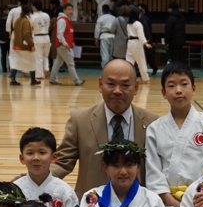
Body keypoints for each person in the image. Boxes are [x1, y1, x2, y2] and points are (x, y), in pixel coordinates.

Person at [51, 59, 159, 198]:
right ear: (100, 84)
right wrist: (34, 179)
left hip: (141, 205)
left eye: (125, 85)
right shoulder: (80, 120)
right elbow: (62, 163)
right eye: (111, 84)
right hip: (92, 206)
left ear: (136, 87)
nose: (117, 91)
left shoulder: (152, 122)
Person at [145, 62, 203, 207]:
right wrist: (171, 202)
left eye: (184, 84)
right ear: (163, 93)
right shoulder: (154, 129)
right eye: (171, 86)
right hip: (165, 203)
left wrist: (201, 195)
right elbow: (153, 171)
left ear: (193, 88)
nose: (178, 90)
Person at [14, 127, 81, 207]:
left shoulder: (65, 192)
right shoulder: (14, 190)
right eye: (30, 153)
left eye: (42, 153)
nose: (36, 158)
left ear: (54, 157)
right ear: (22, 158)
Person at [50, 3, 85, 85]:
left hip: (63, 45)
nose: (71, 11)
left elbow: (67, 34)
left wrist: (71, 42)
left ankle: (52, 79)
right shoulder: (62, 20)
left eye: (71, 9)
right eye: (69, 9)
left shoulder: (67, 20)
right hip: (63, 46)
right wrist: (65, 43)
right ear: (64, 10)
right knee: (70, 63)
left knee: (57, 63)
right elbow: (59, 34)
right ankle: (76, 80)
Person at [10, 4, 39, 86]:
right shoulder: (26, 21)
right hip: (24, 46)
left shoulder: (18, 20)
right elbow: (26, 35)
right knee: (32, 62)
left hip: (16, 44)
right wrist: (32, 45)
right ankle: (33, 80)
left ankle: (13, 80)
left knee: (16, 63)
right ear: (29, 12)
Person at [125, 6, 151, 83]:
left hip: (129, 43)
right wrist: (146, 44)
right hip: (137, 44)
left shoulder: (128, 24)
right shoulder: (138, 24)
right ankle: (145, 79)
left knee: (129, 62)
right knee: (141, 62)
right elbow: (141, 36)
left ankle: (125, 77)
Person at [31, 1, 51, 79]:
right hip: (46, 37)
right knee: (45, 55)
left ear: (34, 7)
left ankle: (39, 75)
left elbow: (31, 27)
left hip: (37, 38)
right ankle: (47, 69)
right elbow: (48, 25)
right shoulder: (46, 15)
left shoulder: (32, 17)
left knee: (38, 57)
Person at [138, 4, 159, 76]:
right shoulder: (147, 18)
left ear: (143, 10)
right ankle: (153, 67)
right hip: (146, 38)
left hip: (146, 39)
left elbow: (146, 29)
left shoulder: (144, 18)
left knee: (145, 55)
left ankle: (152, 67)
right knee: (146, 55)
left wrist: (148, 39)